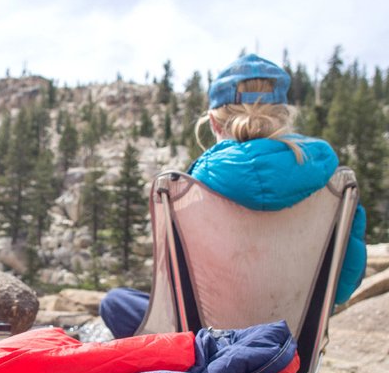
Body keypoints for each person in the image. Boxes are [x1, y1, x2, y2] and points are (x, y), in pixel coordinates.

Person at [100, 53, 367, 339]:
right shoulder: (333, 185)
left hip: (207, 350)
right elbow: (341, 289)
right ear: (284, 116)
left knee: (116, 303)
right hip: (289, 351)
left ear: (214, 123)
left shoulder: (192, 190)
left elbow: (172, 291)